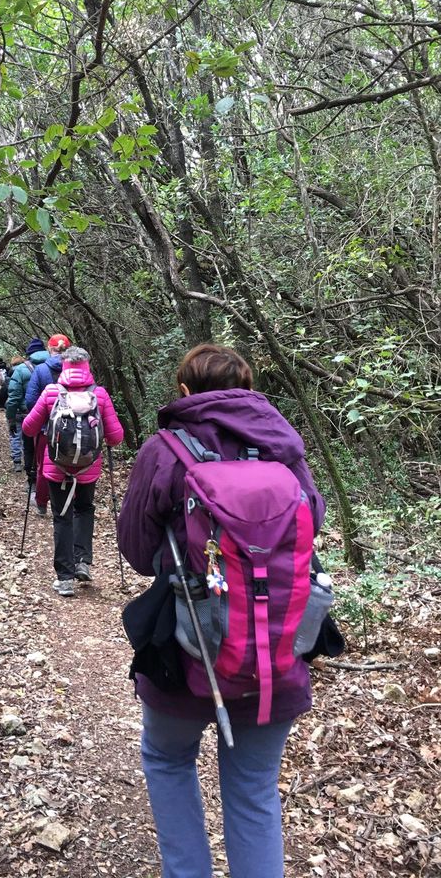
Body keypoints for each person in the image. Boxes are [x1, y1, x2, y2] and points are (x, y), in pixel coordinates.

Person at [117, 344, 326, 878]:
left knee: (168, 759)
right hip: (274, 653)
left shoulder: (165, 450)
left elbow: (137, 552)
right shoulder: (282, 445)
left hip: (186, 653)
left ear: (185, 391)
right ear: (248, 389)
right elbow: (312, 524)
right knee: (254, 789)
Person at [23, 346, 124, 596]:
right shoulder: (99, 395)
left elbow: (28, 428)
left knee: (61, 516)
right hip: (88, 467)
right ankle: (82, 562)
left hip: (57, 467)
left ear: (64, 366)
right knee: (84, 509)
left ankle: (65, 578)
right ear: (87, 366)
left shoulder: (51, 392)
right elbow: (117, 437)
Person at [24, 333, 71, 516]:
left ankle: (42, 503)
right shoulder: (75, 369)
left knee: (43, 465)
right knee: (71, 462)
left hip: (46, 428)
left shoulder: (41, 370)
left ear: (49, 348)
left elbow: (30, 400)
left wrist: (42, 415)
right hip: (73, 428)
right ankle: (68, 501)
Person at [6, 340, 49, 473]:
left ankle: (30, 475)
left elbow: (14, 397)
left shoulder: (21, 369)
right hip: (51, 414)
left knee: (28, 445)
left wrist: (11, 418)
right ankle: (46, 474)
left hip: (26, 413)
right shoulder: (57, 366)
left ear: (29, 353)